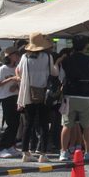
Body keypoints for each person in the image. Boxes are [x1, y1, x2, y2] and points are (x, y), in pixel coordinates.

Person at [16, 32, 58, 163]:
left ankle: (25, 153)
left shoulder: (24, 57)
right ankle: (43, 154)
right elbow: (54, 72)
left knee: (28, 124)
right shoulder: (47, 57)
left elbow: (18, 71)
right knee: (44, 124)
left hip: (28, 94)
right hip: (44, 94)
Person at [58, 36, 89, 162]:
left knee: (66, 125)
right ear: (85, 46)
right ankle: (88, 152)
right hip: (87, 96)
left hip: (70, 96)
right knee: (87, 126)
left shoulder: (66, 61)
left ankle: (63, 152)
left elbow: (61, 78)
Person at [0, 46, 22, 158]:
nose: (17, 56)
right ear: (10, 56)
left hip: (16, 96)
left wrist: (16, 85)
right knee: (11, 124)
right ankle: (1, 147)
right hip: (6, 97)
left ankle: (10, 145)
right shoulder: (3, 69)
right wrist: (11, 79)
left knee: (16, 124)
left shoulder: (17, 68)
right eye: (16, 54)